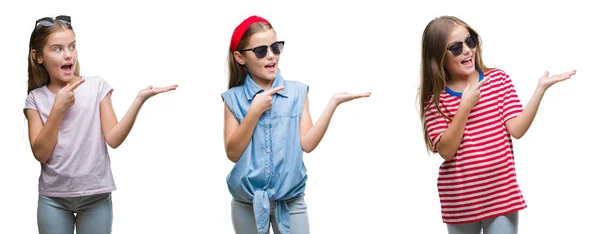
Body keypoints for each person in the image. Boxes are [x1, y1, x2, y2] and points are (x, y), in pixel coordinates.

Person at [418, 15, 576, 234]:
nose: (466, 50)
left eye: (470, 41)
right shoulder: (436, 99)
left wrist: (540, 89)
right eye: (455, 47)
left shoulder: (498, 80)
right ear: (438, 57)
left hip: (502, 196)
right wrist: (464, 107)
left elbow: (517, 129)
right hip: (460, 202)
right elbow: (446, 151)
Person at [24, 15, 177, 234]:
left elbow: (113, 139)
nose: (68, 55)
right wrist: (57, 110)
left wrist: (139, 100)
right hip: (53, 199)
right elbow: (41, 153)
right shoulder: (35, 99)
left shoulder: (96, 86)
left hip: (96, 197)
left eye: (72, 47)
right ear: (38, 56)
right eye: (57, 49)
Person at [221, 15, 371, 234]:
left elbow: (307, 144)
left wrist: (333, 104)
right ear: (240, 57)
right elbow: (233, 153)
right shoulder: (232, 98)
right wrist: (254, 111)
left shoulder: (297, 92)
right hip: (247, 203)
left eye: (275, 47)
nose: (271, 56)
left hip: (290, 202)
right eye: (261, 51)